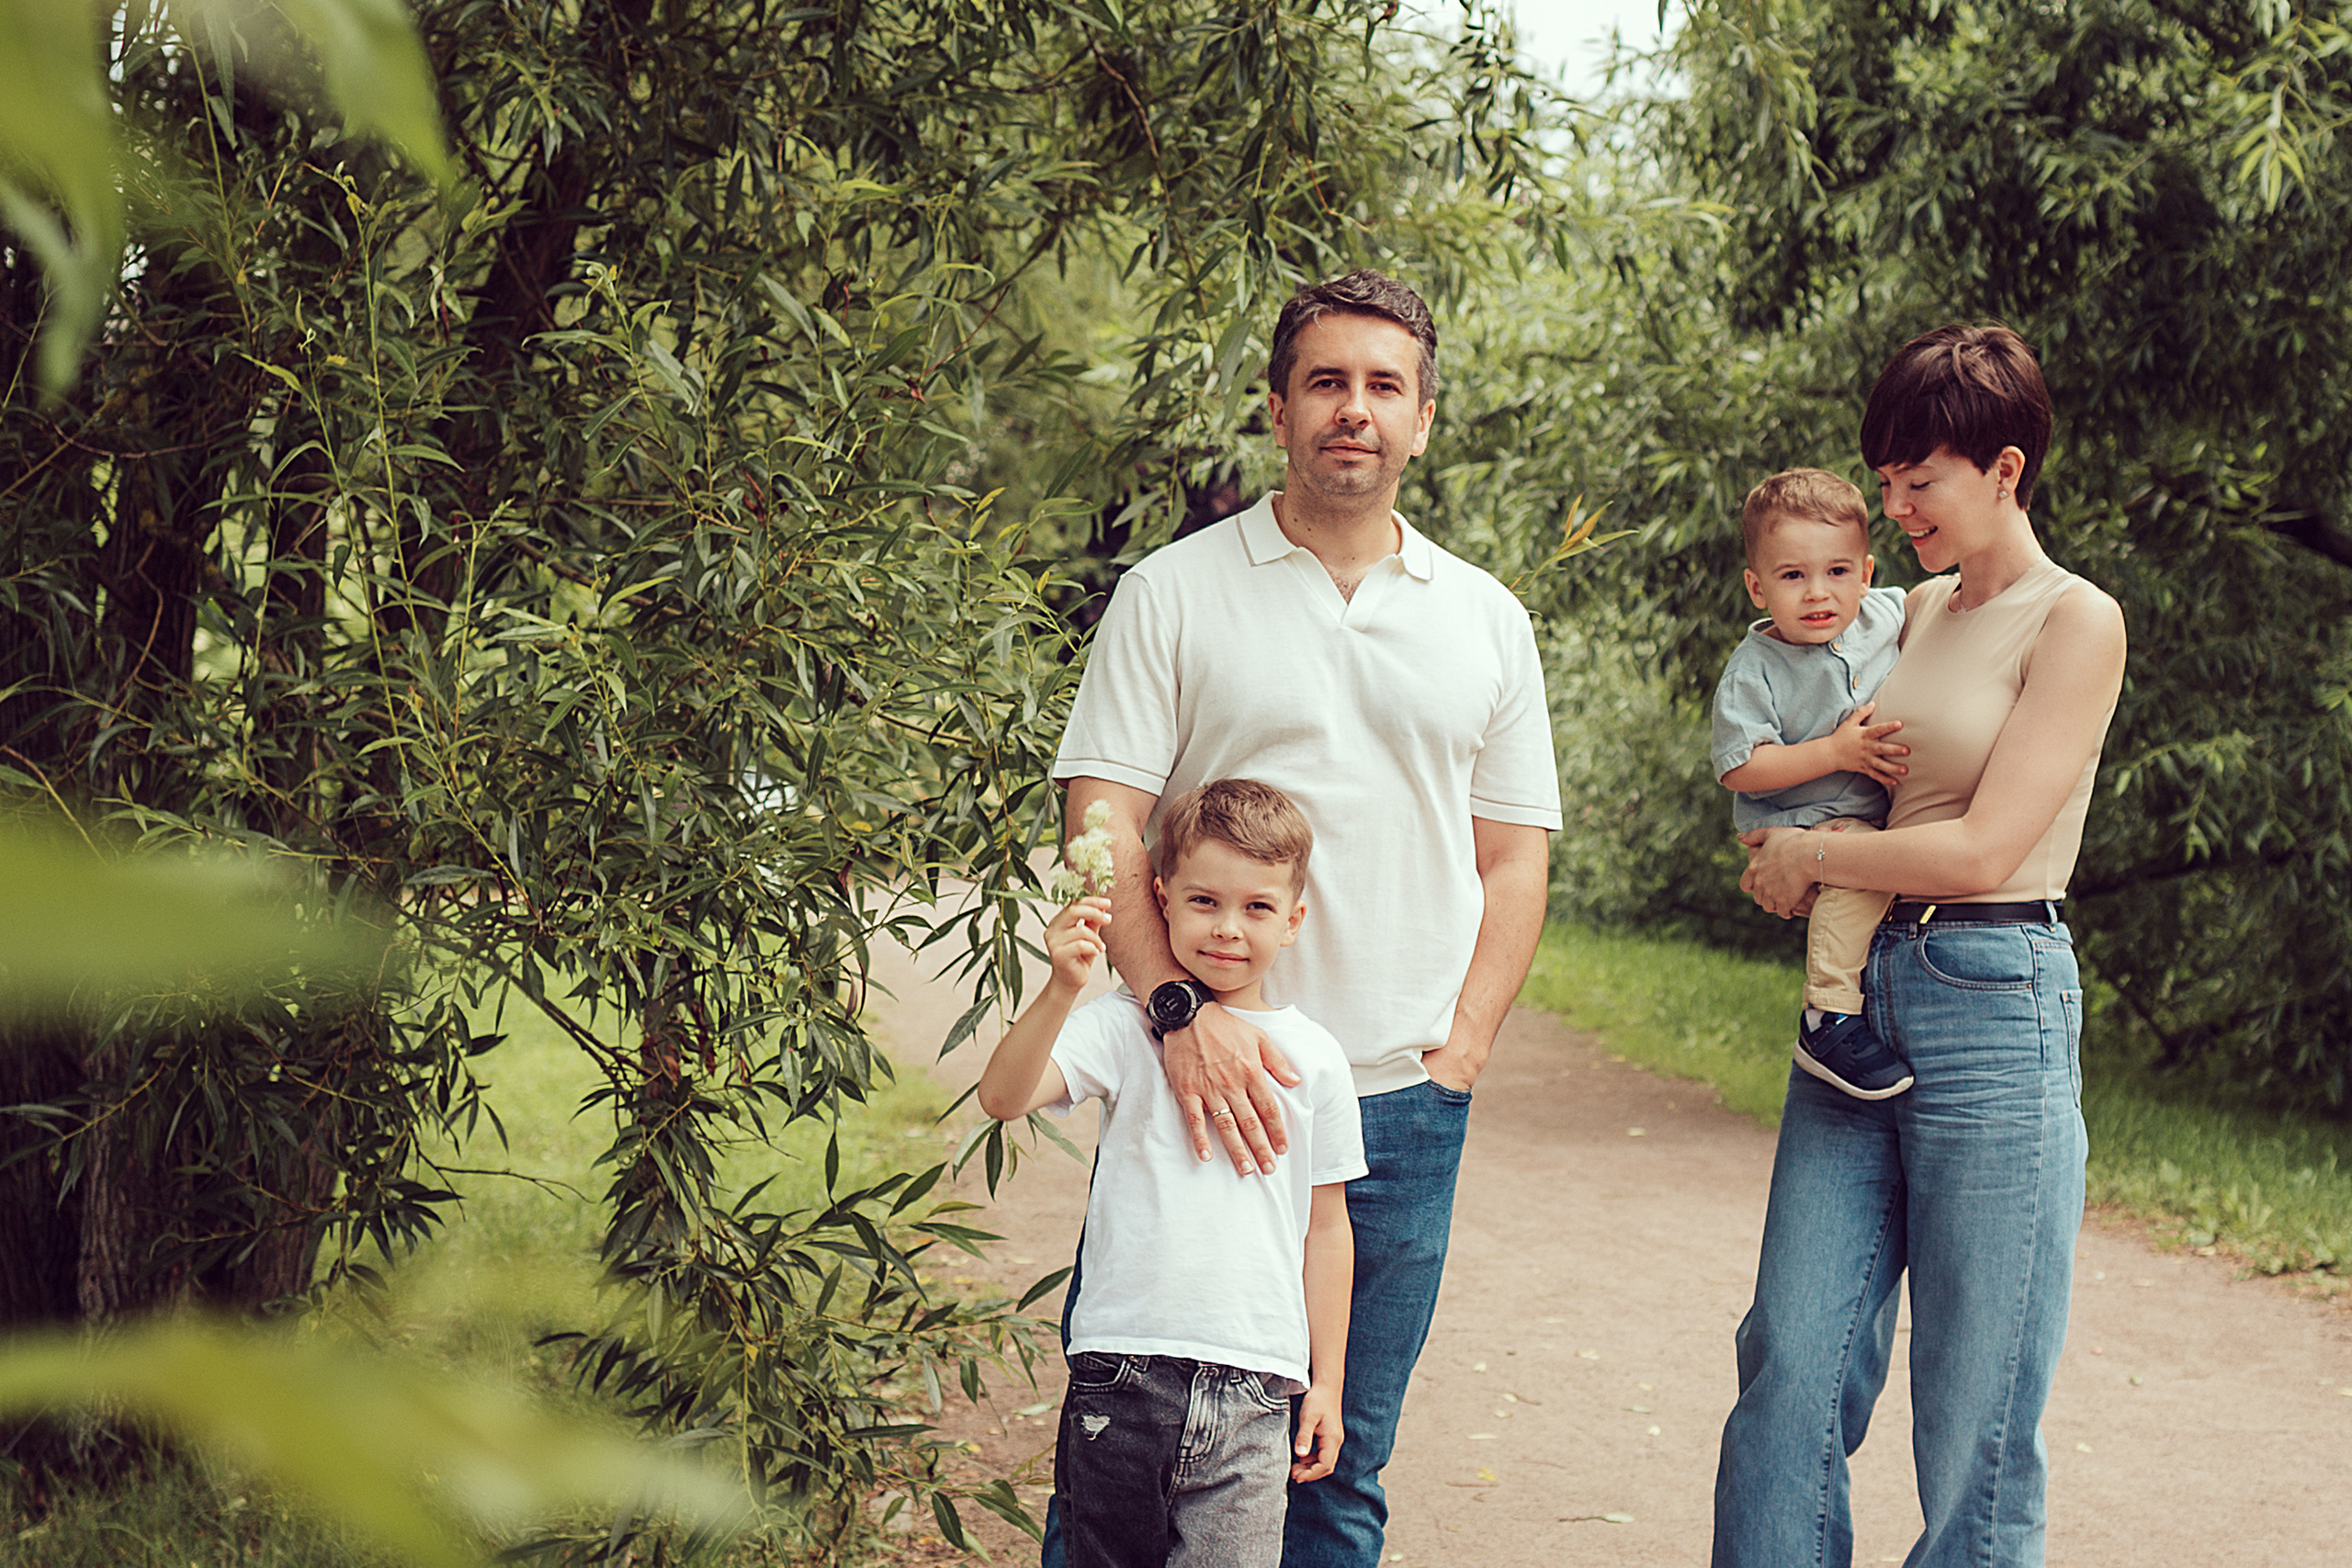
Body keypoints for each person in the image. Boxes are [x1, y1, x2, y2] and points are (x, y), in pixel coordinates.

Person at [1048, 269, 1559, 1568]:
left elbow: (1515, 854)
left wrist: (1463, 1054)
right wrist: (1175, 1015)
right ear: (1278, 407)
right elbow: (1103, 819)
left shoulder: (1487, 620)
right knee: (1123, 1453)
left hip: (1394, 1098)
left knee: (1335, 1460)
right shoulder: (1173, 591)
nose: (1356, 410)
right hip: (1193, 1079)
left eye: (1386, 386)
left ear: (1425, 418)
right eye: (1327, 382)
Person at [1713, 323, 2128, 1568]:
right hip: (1863, 1000)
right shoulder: (1913, 611)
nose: (1894, 509)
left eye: (1919, 482)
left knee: (1975, 1403)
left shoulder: (2076, 620)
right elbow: (1817, 753)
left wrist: (1816, 860)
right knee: (1792, 1350)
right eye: (1884, 483)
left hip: (1997, 998)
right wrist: (1779, 839)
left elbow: (1981, 848)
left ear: (2006, 469)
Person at [978, 779, 1363, 1568]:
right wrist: (1060, 986)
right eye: (1204, 901)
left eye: (1257, 907)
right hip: (1120, 1375)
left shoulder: (1318, 1059)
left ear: (1294, 919)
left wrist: (1327, 1383)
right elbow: (1002, 1095)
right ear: (1160, 900)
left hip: (1259, 1388)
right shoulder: (1124, 1027)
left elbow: (1327, 1229)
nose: (1227, 928)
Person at [1711, 468, 1916, 1099]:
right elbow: (1741, 765)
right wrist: (1836, 751)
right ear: (1757, 586)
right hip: (1799, 818)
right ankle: (1827, 1015)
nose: (1818, 593)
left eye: (1838, 572)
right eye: (1793, 576)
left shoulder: (1888, 614)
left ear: (1868, 572)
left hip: (1863, 813)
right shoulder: (1756, 669)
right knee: (1858, 870)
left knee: (1871, 869)